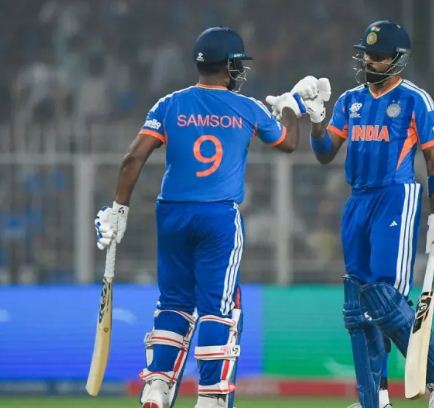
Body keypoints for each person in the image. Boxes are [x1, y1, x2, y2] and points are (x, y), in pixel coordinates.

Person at [93, 26, 319, 408]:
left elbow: (133, 157)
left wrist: (119, 209)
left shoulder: (169, 104)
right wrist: (290, 108)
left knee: (174, 303)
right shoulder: (248, 108)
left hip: (172, 213)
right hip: (218, 216)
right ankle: (211, 395)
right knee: (219, 307)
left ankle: (157, 384)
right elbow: (288, 142)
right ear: (230, 66)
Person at [307, 20, 434, 408]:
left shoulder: (414, 99)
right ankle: (373, 399)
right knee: (357, 304)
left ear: (396, 60)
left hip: (395, 196)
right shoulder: (349, 100)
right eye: (366, 55)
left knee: (383, 297)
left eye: (377, 57)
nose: (368, 62)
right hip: (358, 199)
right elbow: (325, 153)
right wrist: (316, 120)